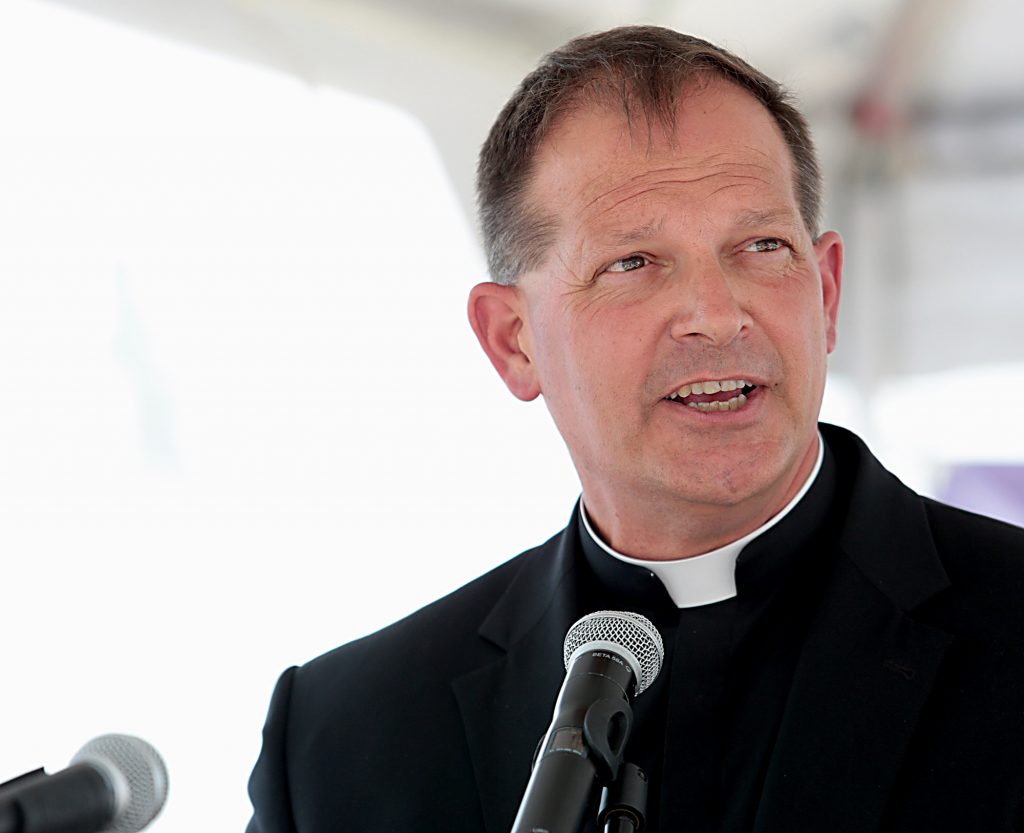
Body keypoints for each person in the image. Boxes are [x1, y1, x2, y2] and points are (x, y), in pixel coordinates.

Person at [245, 25, 1024, 833]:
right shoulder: (345, 739)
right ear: (513, 340)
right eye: (633, 262)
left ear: (824, 293)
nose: (718, 316)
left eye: (762, 245)